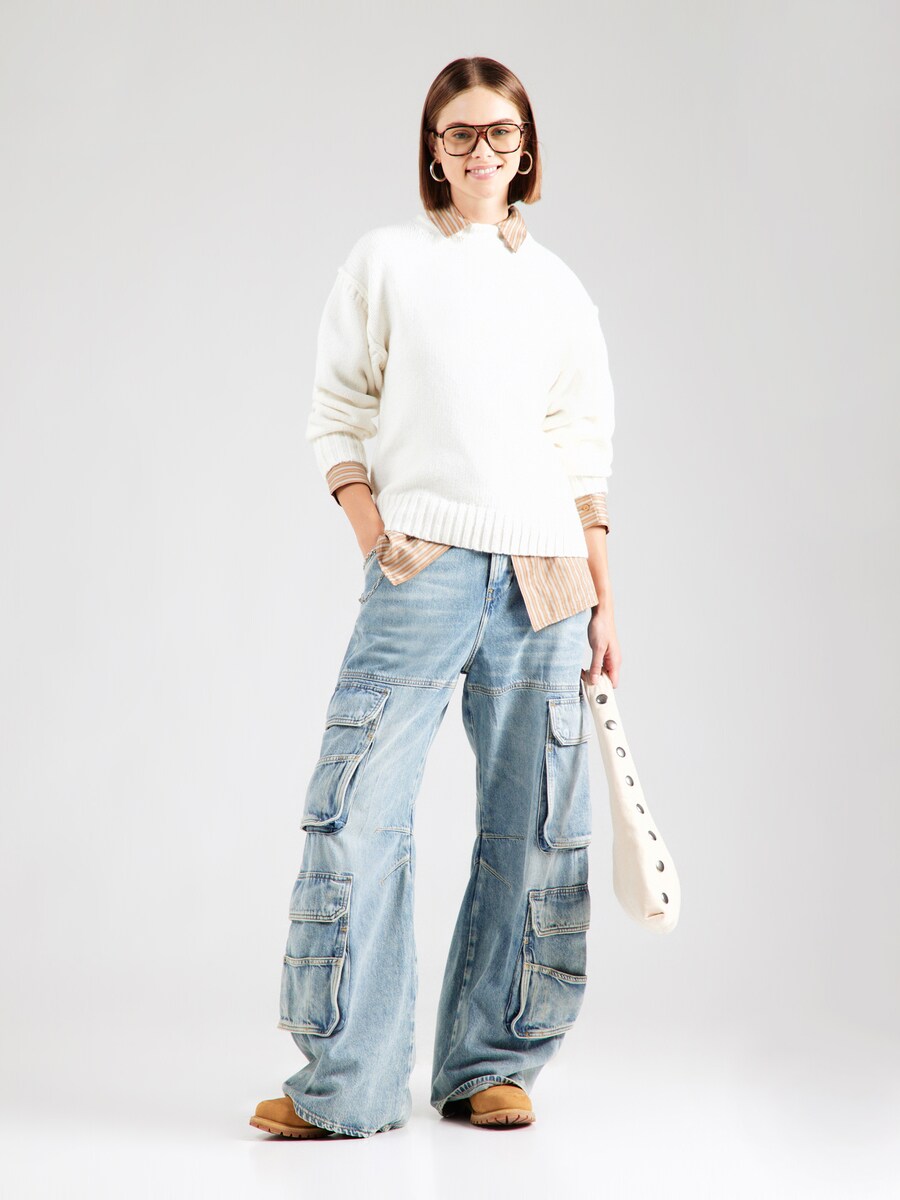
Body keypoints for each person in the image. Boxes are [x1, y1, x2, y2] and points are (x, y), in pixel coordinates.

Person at [250, 55, 622, 1140]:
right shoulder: (386, 261)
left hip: (547, 574)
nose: (481, 150)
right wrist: (378, 537)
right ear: (433, 149)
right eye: (460, 133)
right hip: (425, 564)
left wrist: (605, 597)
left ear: (526, 148)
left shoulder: (560, 288)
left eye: (500, 133)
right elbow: (337, 409)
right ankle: (349, 1084)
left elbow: (581, 451)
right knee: (357, 812)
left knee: (537, 826)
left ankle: (491, 1065)